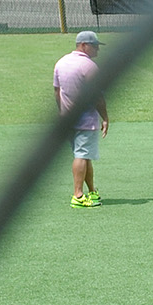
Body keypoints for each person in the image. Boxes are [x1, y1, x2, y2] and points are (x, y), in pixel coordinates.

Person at [52, 29, 108, 209]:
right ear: (84, 45)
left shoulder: (61, 62)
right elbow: (97, 95)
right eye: (95, 47)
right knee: (81, 156)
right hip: (85, 121)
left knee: (85, 156)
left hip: (68, 119)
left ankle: (91, 191)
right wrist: (105, 117)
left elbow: (57, 90)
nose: (97, 51)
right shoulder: (88, 66)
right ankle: (78, 195)